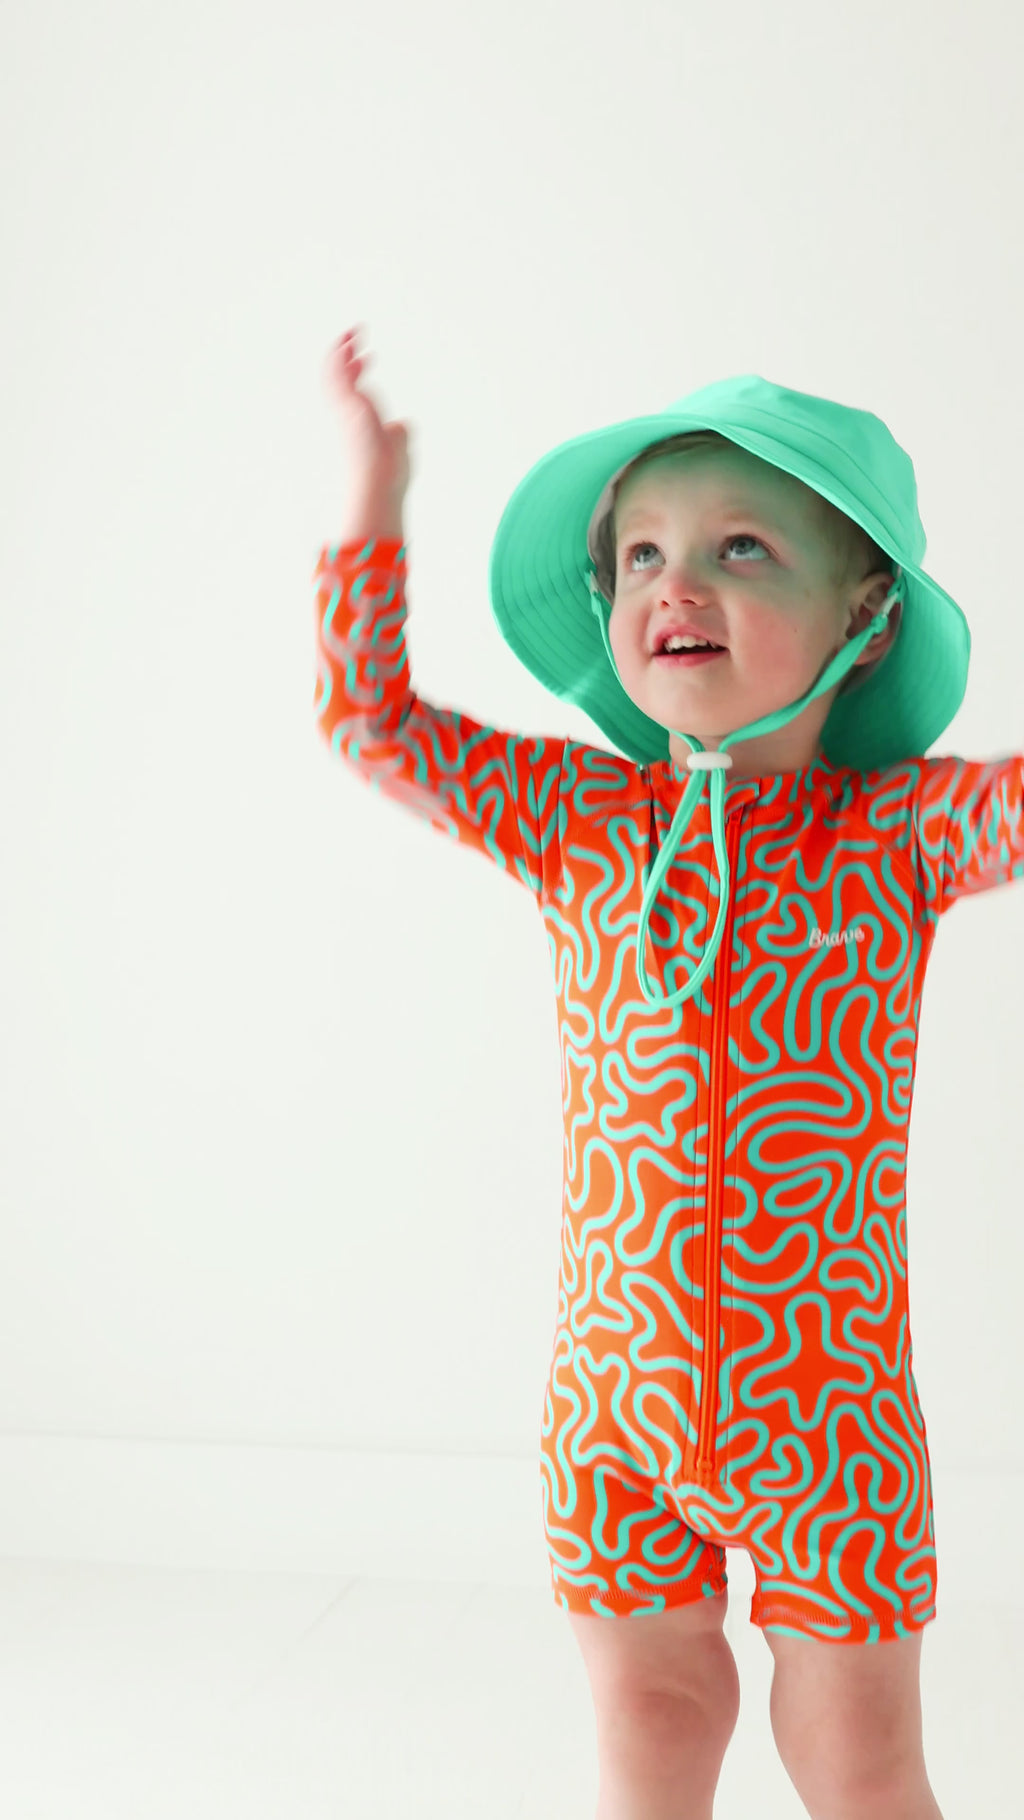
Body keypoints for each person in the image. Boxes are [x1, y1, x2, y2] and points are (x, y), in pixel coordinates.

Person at [313, 326, 1023, 1820]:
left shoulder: (893, 834)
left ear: (866, 618)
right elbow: (368, 724)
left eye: (740, 545)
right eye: (638, 556)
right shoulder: (582, 817)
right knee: (651, 1715)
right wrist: (374, 495)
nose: (673, 584)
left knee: (857, 1753)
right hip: (613, 1407)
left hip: (828, 1412)